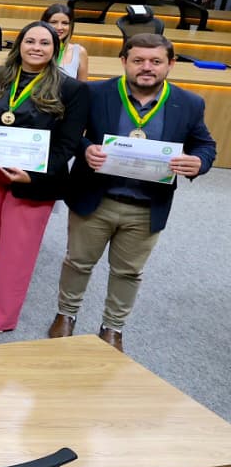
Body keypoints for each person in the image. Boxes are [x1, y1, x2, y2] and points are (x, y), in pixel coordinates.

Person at [47, 33, 216, 352]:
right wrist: (85, 149)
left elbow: (205, 145)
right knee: (78, 262)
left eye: (156, 61)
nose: (147, 67)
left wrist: (199, 162)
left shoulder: (189, 103)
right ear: (124, 61)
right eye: (138, 60)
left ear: (171, 64)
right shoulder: (95, 93)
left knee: (128, 271)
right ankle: (66, 314)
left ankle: (113, 326)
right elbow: (69, 133)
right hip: (95, 198)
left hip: (146, 205)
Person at [0, 21, 88, 334]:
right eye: (30, 41)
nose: (36, 48)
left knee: (17, 251)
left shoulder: (71, 89)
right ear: (19, 44)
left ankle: (1, 315)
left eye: (44, 43)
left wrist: (32, 175)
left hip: (35, 181)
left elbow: (67, 144)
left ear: (55, 48)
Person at [42, 3, 89, 83]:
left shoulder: (79, 52)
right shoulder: (35, 50)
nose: (59, 27)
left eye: (65, 23)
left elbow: (82, 89)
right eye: (53, 22)